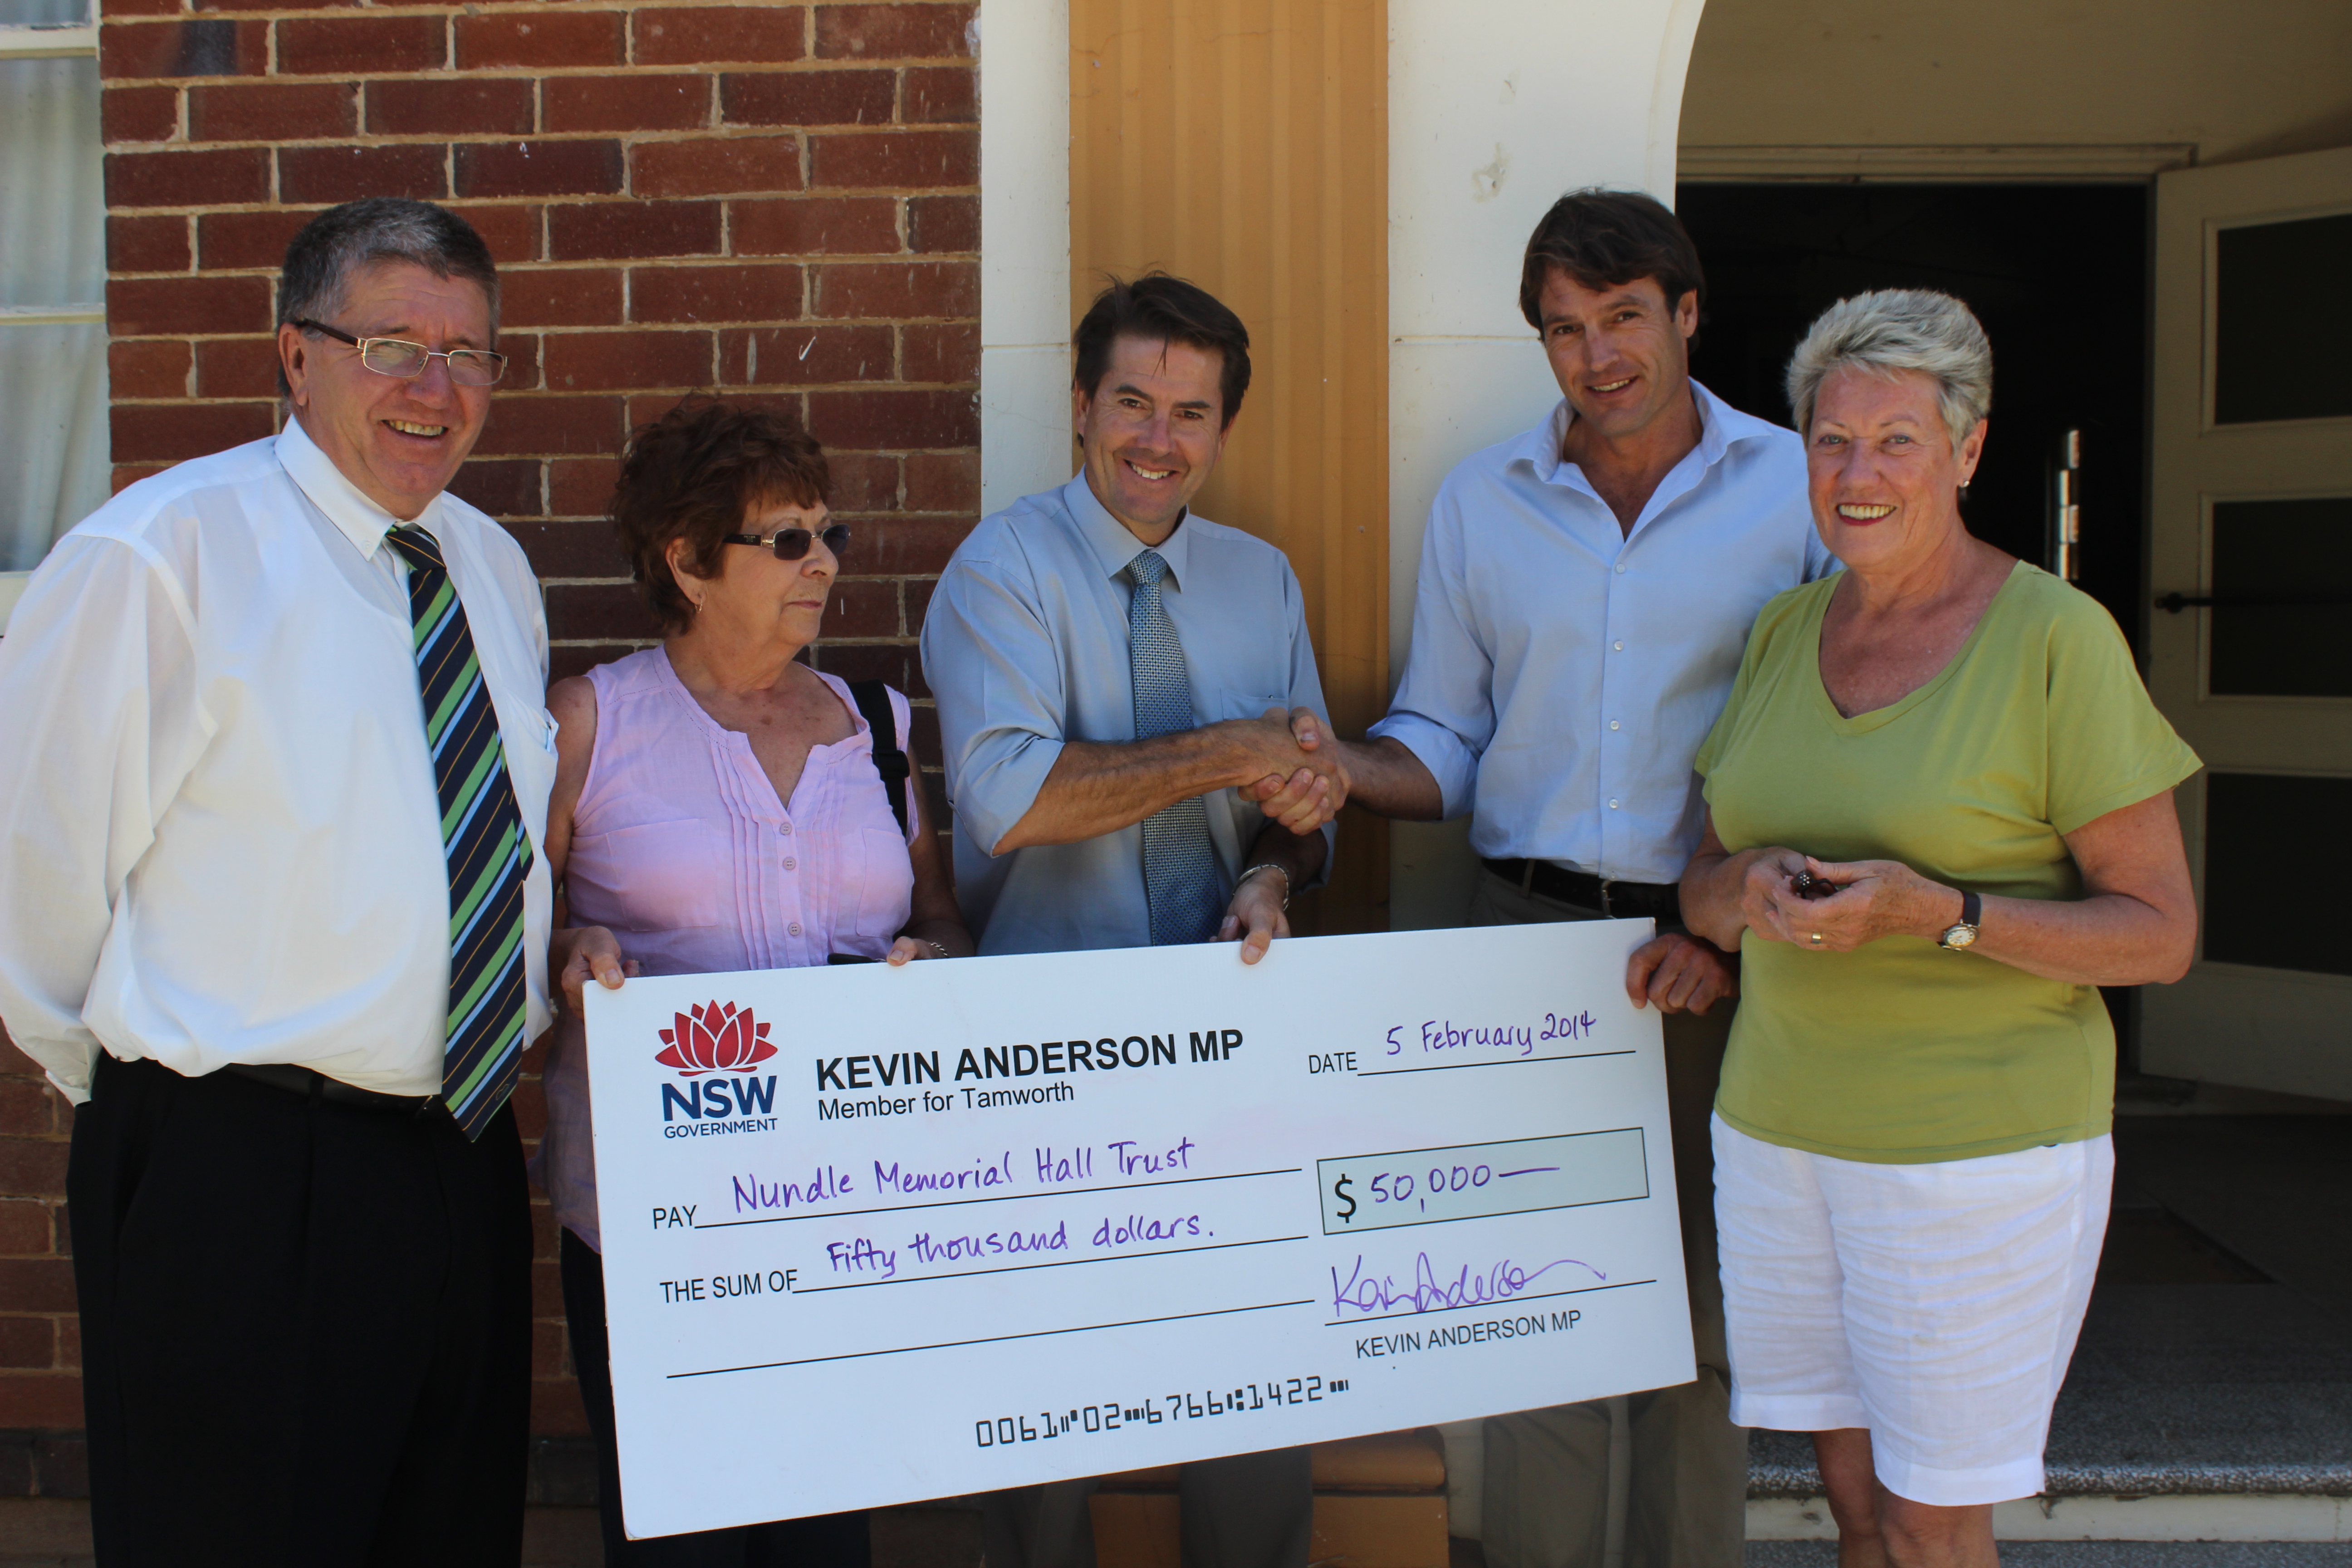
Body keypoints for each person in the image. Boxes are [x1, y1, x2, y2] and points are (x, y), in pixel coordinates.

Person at [1289, 188, 1833, 1568]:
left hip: (1721, 958)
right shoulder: (1484, 500)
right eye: (1564, 330)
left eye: (1625, 320)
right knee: (1532, 1318)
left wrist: (1731, 929)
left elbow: (1830, 736)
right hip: (1518, 943)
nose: (1598, 358)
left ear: (1689, 313)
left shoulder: (1794, 491)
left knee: (1698, 1326)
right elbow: (1446, 737)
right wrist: (1336, 770)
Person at [0, 198, 549, 1563]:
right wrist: (154, 1108)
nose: (436, 389)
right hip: (232, 1166)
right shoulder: (162, 558)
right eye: (392, 345)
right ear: (296, 357)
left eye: (471, 353)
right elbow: (36, 877)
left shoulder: (492, 569)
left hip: (460, 1161)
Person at [1680, 289, 2199, 1568]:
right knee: (1852, 1508)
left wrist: (1945, 915)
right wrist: (1738, 893)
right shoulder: (1783, 633)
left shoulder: (2056, 641)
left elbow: (2158, 935)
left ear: (1966, 453)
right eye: (1830, 441)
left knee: (1929, 1521)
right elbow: (1700, 884)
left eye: (1896, 440)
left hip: (1977, 1156)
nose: (1858, 474)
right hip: (1781, 1135)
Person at [920, 273, 1341, 1568]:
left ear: (1223, 429)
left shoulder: (1260, 581)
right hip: (1058, 1055)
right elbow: (1016, 799)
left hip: (1234, 1046)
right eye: (1134, 403)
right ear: (1081, 406)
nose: (1159, 440)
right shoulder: (1003, 569)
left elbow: (1303, 797)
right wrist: (1234, 750)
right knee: (1048, 1429)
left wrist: (1276, 868)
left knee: (1258, 1406)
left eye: (1193, 413)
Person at [545, 398, 975, 1564]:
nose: (822, 563)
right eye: (785, 540)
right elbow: (526, 935)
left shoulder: (876, 727)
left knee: (826, 1527)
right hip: (658, 1225)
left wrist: (932, 957)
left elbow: (937, 912)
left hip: (847, 1211)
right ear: (686, 563)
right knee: (677, 1528)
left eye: (826, 534)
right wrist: (570, 956)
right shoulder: (592, 724)